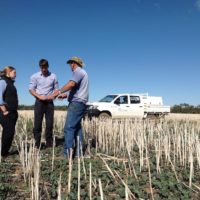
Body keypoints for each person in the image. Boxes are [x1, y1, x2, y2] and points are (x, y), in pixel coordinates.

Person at [53, 56, 89, 158]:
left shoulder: (78, 72)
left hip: (76, 103)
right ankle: (79, 153)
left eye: (70, 64)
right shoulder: (83, 73)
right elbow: (78, 90)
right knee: (77, 128)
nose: (70, 66)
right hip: (81, 103)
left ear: (74, 63)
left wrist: (59, 91)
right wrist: (66, 95)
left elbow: (71, 84)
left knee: (69, 128)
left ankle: (67, 154)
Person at [29, 59, 59, 148]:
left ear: (48, 67)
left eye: (45, 67)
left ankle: (49, 144)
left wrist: (53, 96)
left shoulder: (53, 76)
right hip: (39, 102)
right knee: (37, 124)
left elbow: (57, 90)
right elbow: (31, 89)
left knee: (49, 124)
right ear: (40, 67)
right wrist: (39, 96)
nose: (44, 69)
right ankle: (36, 144)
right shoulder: (34, 76)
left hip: (49, 102)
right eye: (42, 68)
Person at [0, 66, 18, 157]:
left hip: (12, 112)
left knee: (9, 133)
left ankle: (4, 152)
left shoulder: (10, 83)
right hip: (6, 112)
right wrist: (4, 110)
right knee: (8, 133)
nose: (16, 74)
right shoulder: (3, 81)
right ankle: (3, 154)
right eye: (14, 72)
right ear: (8, 72)